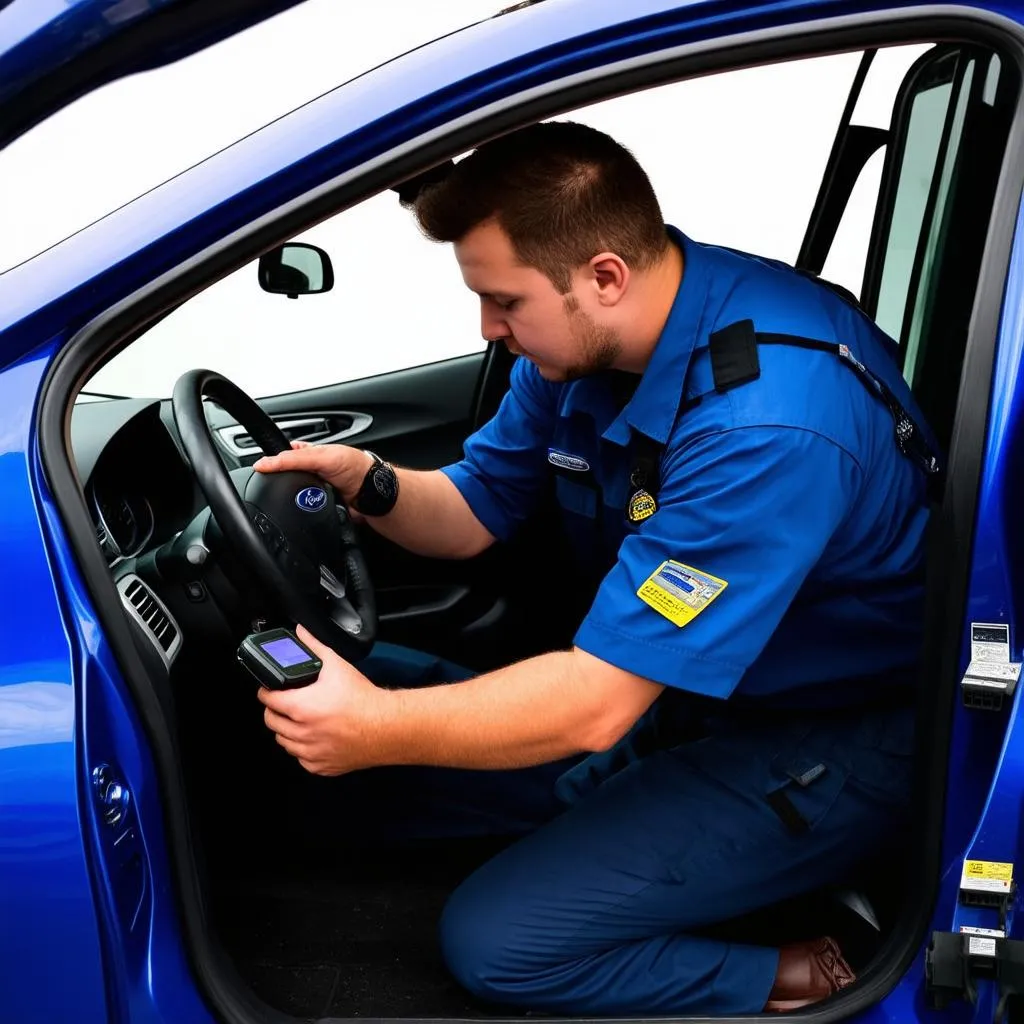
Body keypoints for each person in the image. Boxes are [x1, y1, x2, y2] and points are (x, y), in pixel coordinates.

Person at [252, 121, 938, 1016]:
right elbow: (472, 510)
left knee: (497, 942)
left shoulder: (765, 427)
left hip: (825, 742)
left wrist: (377, 728)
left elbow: (593, 705)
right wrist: (369, 483)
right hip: (688, 693)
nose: (488, 327)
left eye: (504, 302)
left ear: (604, 276)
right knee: (337, 745)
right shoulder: (592, 340)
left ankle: (791, 975)